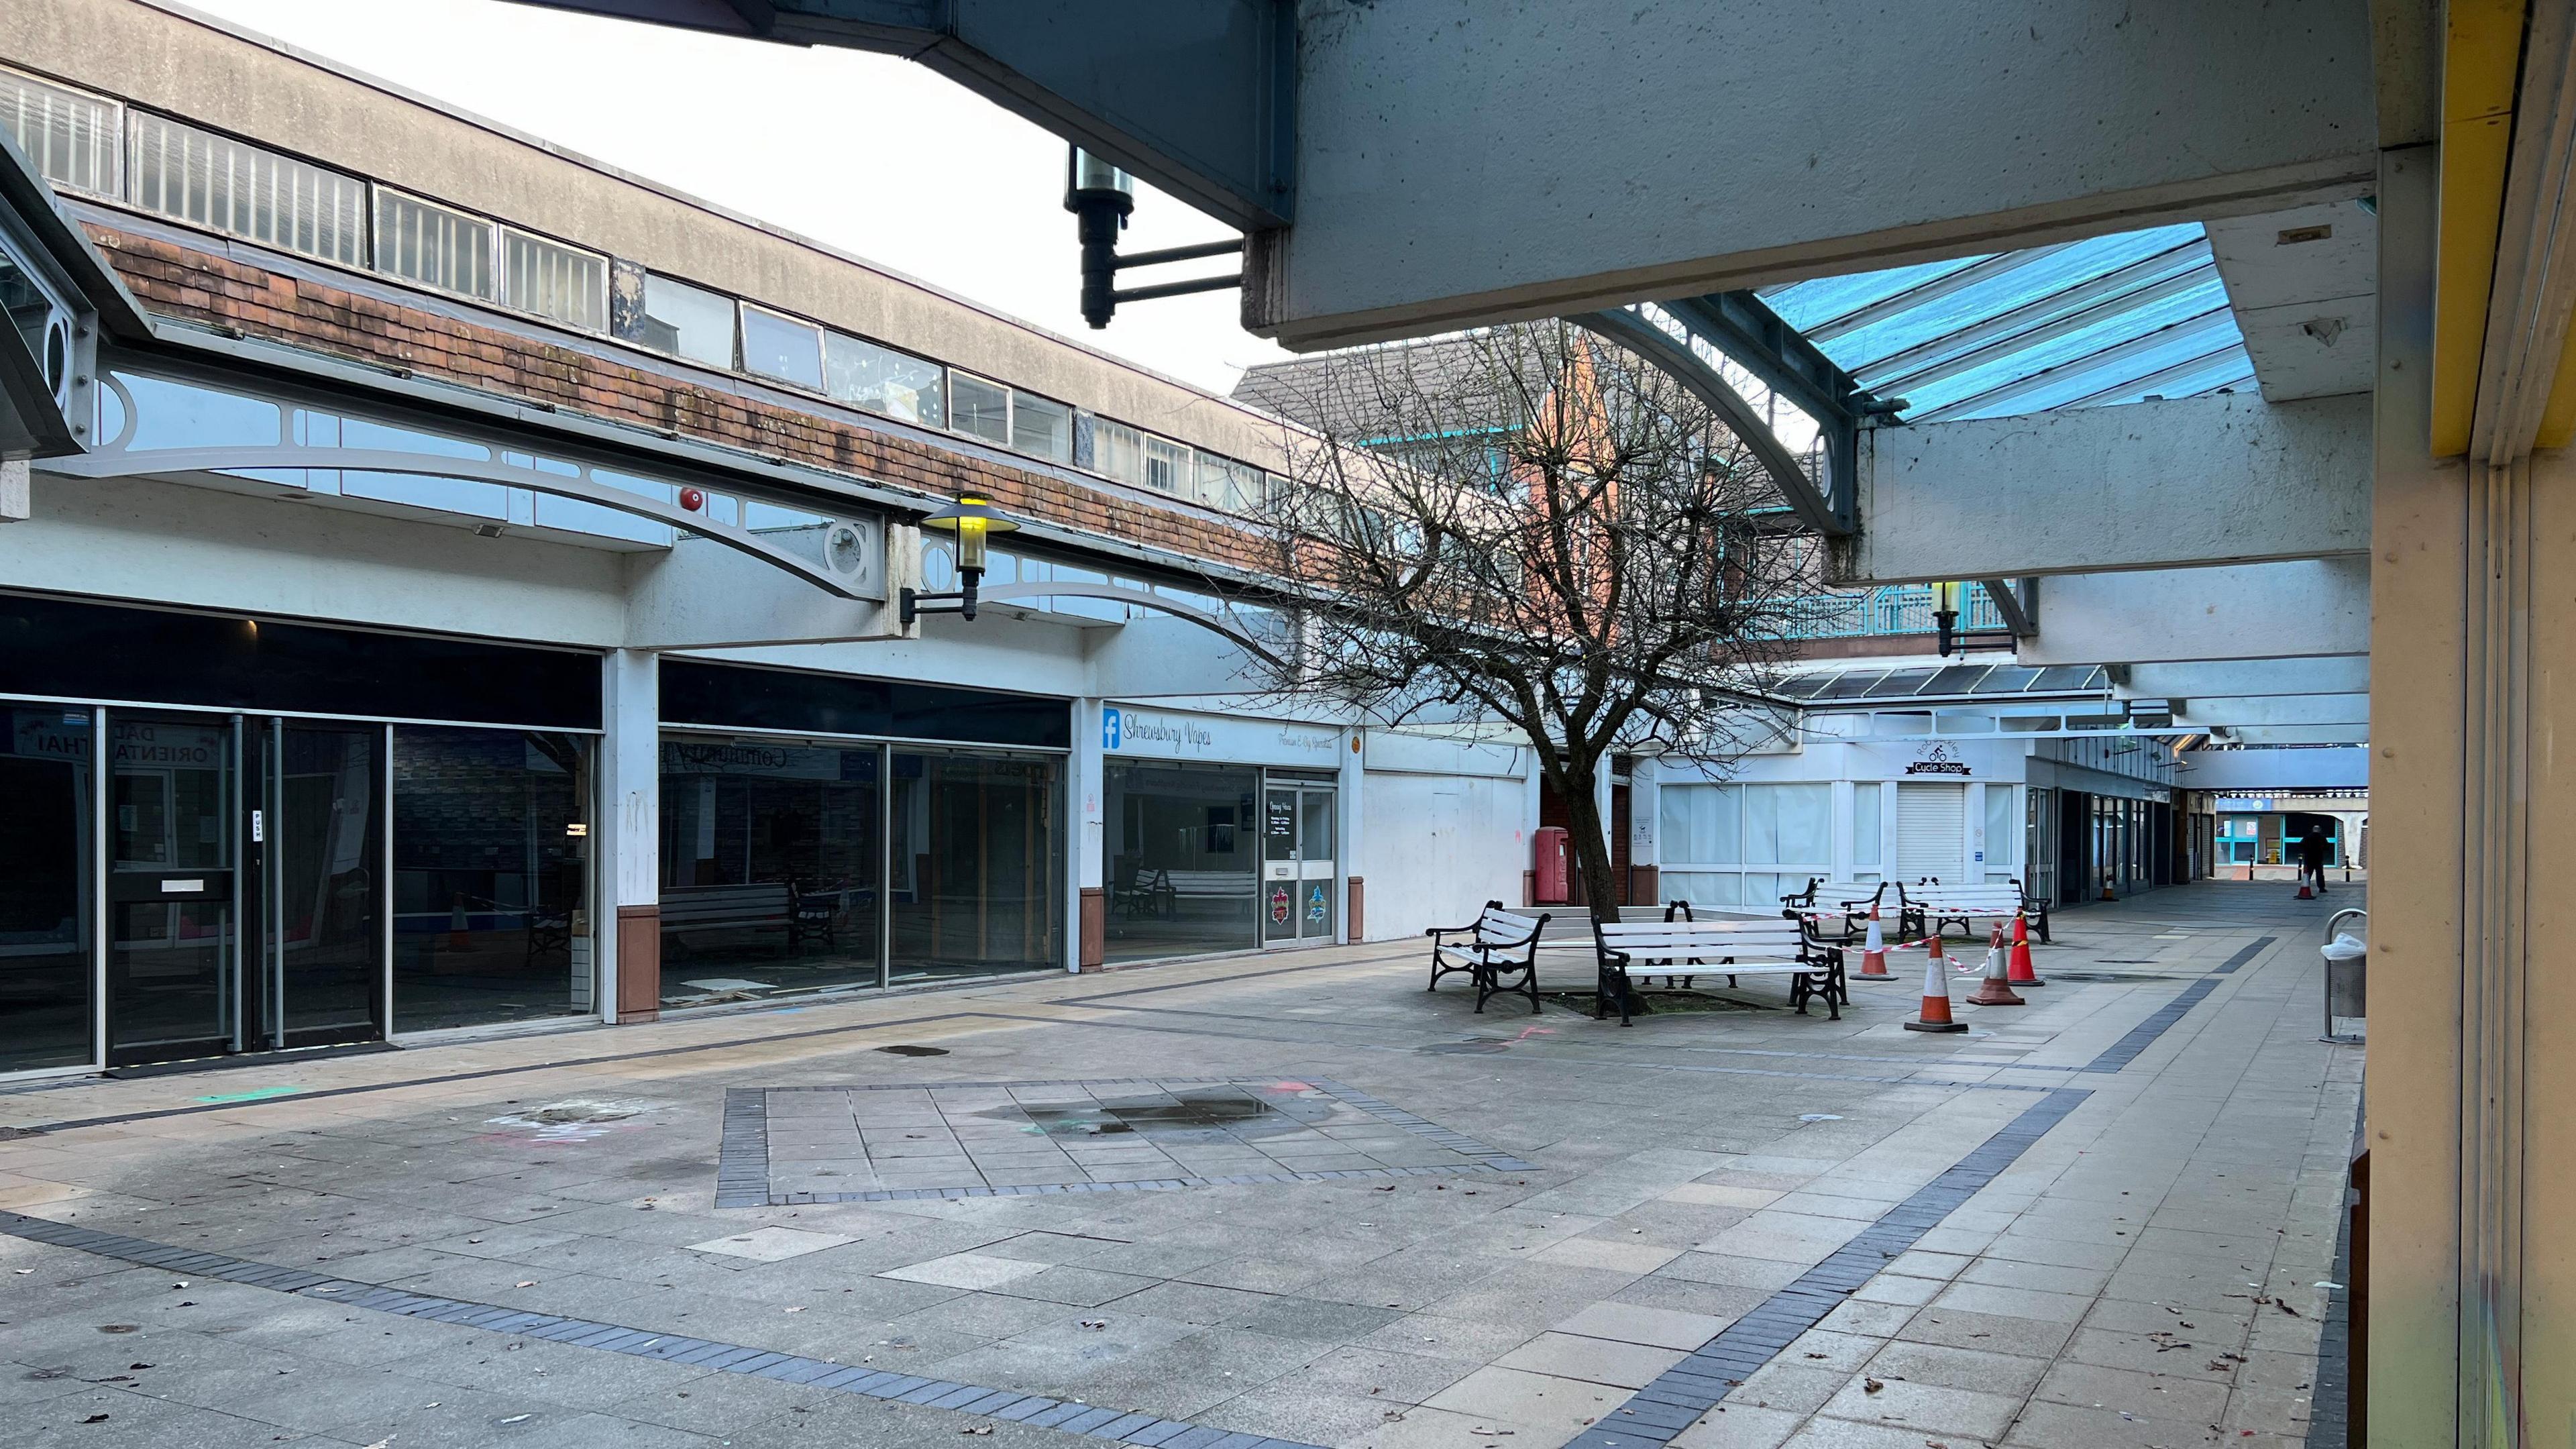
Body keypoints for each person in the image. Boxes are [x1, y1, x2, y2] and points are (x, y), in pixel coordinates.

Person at [2299, 826, 2330, 894]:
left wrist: (2306, 851)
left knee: (2308, 874)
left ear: (2313, 830)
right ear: (2319, 830)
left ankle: (2306, 886)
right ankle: (2321, 888)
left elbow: (2301, 845)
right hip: (2318, 859)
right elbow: (2327, 847)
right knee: (2320, 874)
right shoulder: (2322, 838)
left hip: (2309, 859)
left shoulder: (2307, 837)